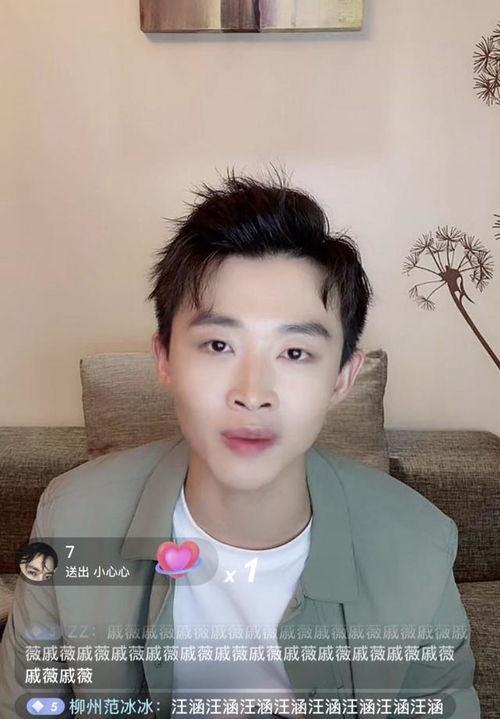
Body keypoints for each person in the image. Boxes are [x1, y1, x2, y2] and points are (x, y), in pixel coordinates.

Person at [0, 167, 480, 718]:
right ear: (164, 358)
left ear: (343, 377)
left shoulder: (419, 544)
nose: (252, 394)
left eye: (295, 353)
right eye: (218, 345)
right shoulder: (71, 516)